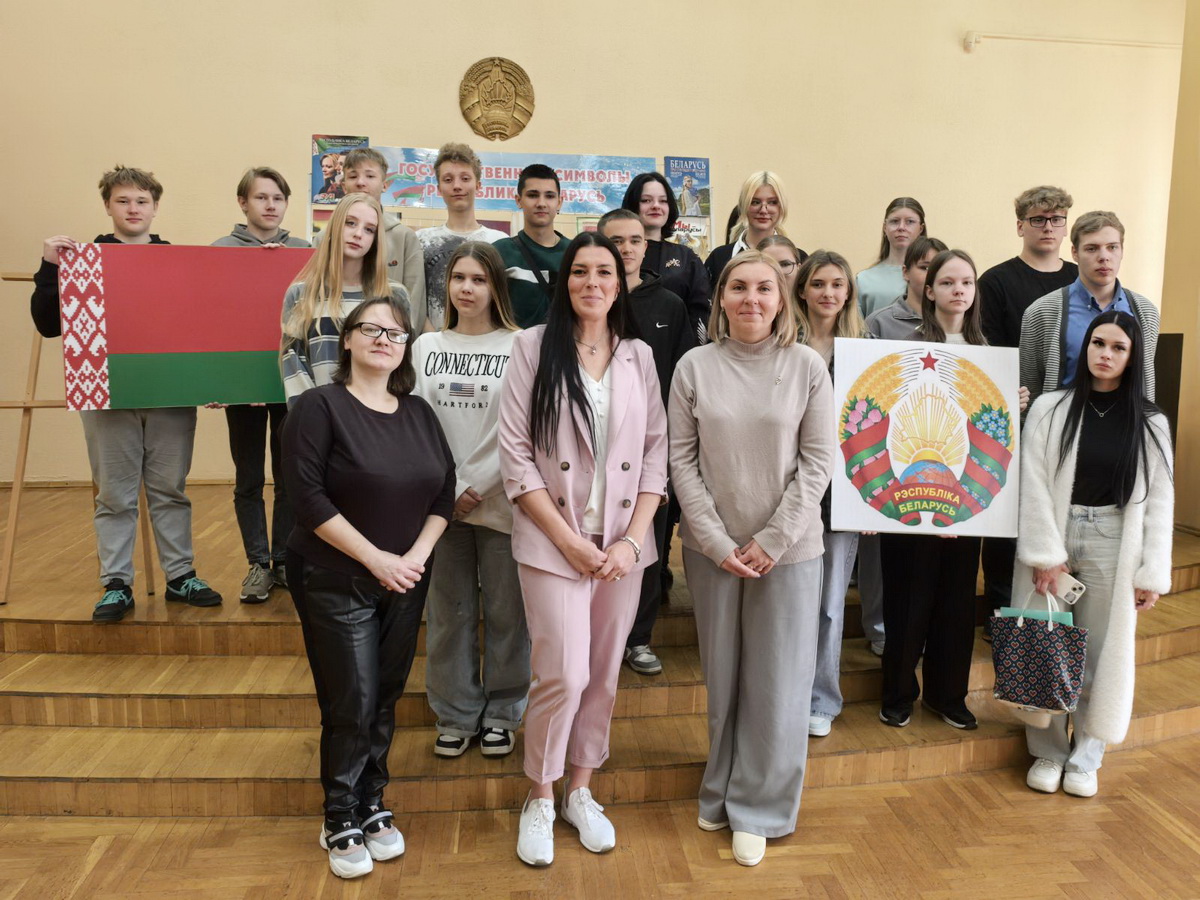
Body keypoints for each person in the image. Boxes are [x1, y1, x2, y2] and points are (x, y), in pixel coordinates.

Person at [498, 231, 667, 867]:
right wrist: (568, 541)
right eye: (579, 271)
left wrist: (632, 541)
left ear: (620, 284)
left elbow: (655, 454)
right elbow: (516, 456)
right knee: (562, 674)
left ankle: (580, 790)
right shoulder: (532, 347)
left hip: (622, 547)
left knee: (600, 674)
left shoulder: (638, 356)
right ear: (563, 281)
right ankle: (540, 795)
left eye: (604, 272)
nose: (591, 282)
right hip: (554, 542)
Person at [670, 250, 834, 867]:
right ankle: (721, 787)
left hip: (787, 553)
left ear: (781, 298)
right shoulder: (693, 366)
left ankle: (761, 806)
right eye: (738, 287)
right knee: (725, 678)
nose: (751, 298)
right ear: (720, 298)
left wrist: (772, 540)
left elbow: (818, 462)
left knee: (778, 683)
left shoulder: (807, 366)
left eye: (764, 288)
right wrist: (716, 541)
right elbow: (681, 461)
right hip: (712, 552)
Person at [283, 294, 455, 879]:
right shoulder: (318, 407)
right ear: (348, 340)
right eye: (371, 329)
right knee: (351, 700)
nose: (384, 339)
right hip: (336, 577)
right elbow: (307, 499)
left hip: (406, 577)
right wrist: (376, 559)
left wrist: (415, 558)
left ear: (406, 348)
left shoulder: (419, 412)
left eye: (396, 333)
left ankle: (371, 799)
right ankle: (338, 813)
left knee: (384, 694)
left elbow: (444, 491)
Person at [32, 165, 221, 622]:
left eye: (141, 201)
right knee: (115, 495)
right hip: (107, 395)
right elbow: (48, 324)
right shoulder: (83, 259)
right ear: (108, 206)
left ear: (155, 208)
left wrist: (213, 380)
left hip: (170, 396)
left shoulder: (178, 261)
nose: (133, 208)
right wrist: (49, 267)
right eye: (123, 201)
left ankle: (180, 576)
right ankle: (116, 584)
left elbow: (203, 324)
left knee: (170, 490)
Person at [1018, 310, 1173, 798]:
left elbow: (1160, 500)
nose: (1105, 354)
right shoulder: (1050, 407)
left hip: (1113, 540)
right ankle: (1047, 750)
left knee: (1100, 655)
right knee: (1047, 644)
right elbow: (1032, 483)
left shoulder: (1150, 421)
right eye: (1098, 343)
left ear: (1133, 356)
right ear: (1085, 347)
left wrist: (1152, 570)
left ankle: (1086, 757)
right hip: (1057, 531)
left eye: (1118, 347)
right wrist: (1045, 552)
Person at [411, 242, 529, 759]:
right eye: (459, 277)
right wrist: (449, 488)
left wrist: (477, 483)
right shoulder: (425, 346)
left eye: (479, 279)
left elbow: (523, 429)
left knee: (508, 614)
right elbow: (414, 420)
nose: (467, 288)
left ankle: (503, 711)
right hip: (440, 506)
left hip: (503, 501)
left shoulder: (522, 345)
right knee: (448, 614)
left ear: (495, 286)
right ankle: (456, 714)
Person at [878, 250, 999, 731]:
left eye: (966, 282)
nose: (958, 290)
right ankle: (898, 693)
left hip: (965, 501)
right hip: (908, 496)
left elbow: (991, 431)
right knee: (907, 600)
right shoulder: (902, 351)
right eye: (947, 282)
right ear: (929, 291)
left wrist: (1011, 402)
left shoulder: (990, 354)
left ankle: (948, 695)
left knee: (956, 602)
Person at [598, 208, 696, 676]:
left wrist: (674, 457)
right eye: (616, 240)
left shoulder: (670, 305)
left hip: (649, 451)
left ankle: (637, 639)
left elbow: (681, 382)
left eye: (635, 240)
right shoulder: (587, 296)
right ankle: (597, 638)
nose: (627, 248)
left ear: (646, 246)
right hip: (593, 448)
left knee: (647, 546)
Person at [978, 186, 1077, 634]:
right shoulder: (996, 281)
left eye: (1056, 219)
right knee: (1007, 521)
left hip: (1070, 418)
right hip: (1016, 417)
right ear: (1020, 225)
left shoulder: (1079, 278)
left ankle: (1054, 619)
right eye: (1038, 219)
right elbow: (991, 351)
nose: (1048, 227)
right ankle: (1001, 614)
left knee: (1059, 517)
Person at [211, 167, 310, 602]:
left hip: (290, 382)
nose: (270, 205)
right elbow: (210, 318)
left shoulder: (303, 251)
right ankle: (258, 564)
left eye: (278, 198)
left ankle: (284, 559)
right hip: (242, 387)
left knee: (289, 475)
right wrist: (219, 382)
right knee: (248, 477)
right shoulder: (220, 251)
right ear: (243, 203)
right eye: (261, 197)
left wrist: (278, 266)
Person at [792, 250, 866, 738]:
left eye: (837, 284)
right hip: (787, 490)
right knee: (787, 602)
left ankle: (821, 698)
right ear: (802, 289)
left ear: (848, 293)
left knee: (829, 604)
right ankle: (784, 693)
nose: (828, 293)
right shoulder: (781, 342)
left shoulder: (865, 351)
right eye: (818, 283)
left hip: (842, 494)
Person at [1020, 211, 1160, 408]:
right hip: (1061, 422)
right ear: (1075, 253)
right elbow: (1029, 393)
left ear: (1122, 251)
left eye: (1112, 247)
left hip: (1124, 422)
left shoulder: (1146, 313)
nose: (1104, 257)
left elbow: (1143, 383)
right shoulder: (1041, 312)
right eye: (1092, 248)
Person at [281, 192, 409, 406]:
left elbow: (401, 366)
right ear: (335, 227)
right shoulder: (300, 294)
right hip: (316, 417)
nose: (358, 234)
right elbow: (294, 368)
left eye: (369, 229)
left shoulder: (395, 296)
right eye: (350, 223)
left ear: (375, 239)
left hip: (375, 419)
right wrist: (311, 417)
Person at [313, 148, 427, 333]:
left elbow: (414, 303)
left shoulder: (404, 237)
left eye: (370, 176)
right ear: (344, 186)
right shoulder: (322, 238)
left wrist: (400, 342)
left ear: (384, 185)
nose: (360, 182)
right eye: (353, 176)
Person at [417, 142, 506, 331]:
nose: (457, 186)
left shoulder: (499, 241)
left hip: (484, 342)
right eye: (448, 179)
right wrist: (431, 339)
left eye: (465, 178)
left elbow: (502, 301)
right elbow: (415, 298)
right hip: (434, 342)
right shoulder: (422, 241)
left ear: (478, 185)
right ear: (439, 188)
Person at [621, 172, 711, 343]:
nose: (656, 206)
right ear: (632, 205)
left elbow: (702, 310)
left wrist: (690, 353)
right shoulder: (615, 254)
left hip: (677, 353)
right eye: (646, 200)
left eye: (663, 201)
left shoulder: (686, 257)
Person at [493, 164, 569, 328]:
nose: (541, 203)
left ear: (559, 202)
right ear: (518, 200)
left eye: (549, 196)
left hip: (565, 343)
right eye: (533, 195)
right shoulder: (499, 252)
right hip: (512, 343)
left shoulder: (576, 253)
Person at [705, 172, 796, 285]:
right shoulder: (718, 258)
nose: (763, 210)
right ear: (744, 205)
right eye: (755, 202)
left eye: (772, 202)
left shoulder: (797, 258)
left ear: (781, 207)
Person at [864, 236, 948, 341]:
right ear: (905, 272)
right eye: (925, 268)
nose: (933, 275)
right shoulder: (879, 322)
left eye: (940, 269)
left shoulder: (958, 322)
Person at [856, 197, 927, 319]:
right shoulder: (864, 280)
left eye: (910, 222)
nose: (901, 227)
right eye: (894, 221)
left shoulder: (934, 276)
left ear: (921, 228)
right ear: (885, 228)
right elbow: (855, 326)